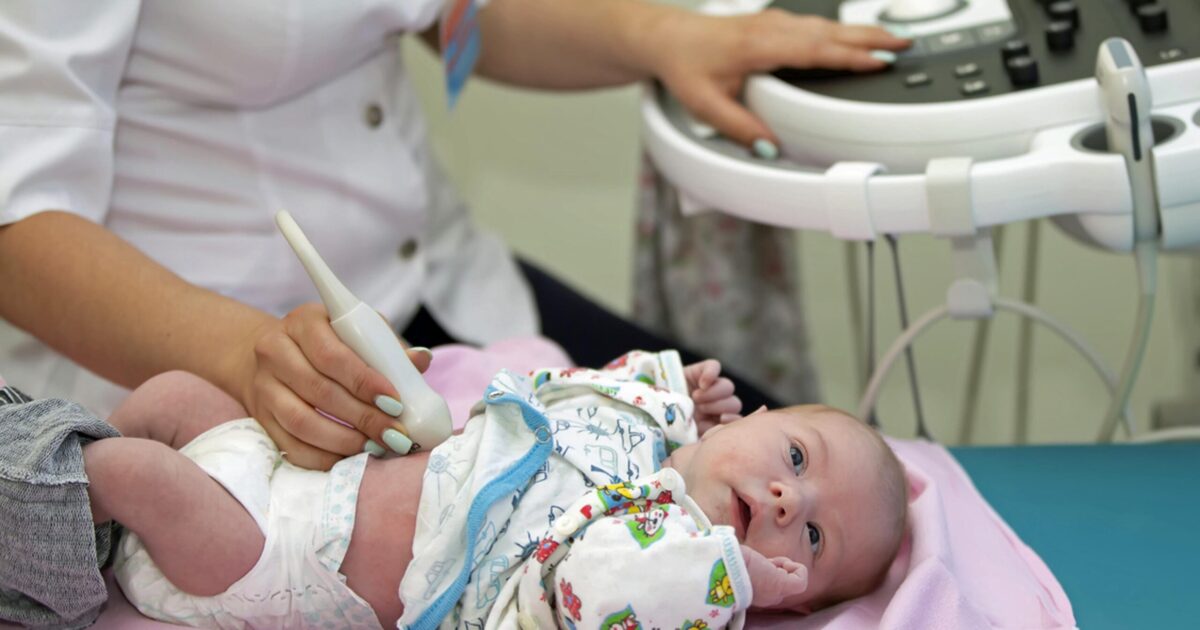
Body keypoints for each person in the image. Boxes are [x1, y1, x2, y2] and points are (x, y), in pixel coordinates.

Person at [0, 2, 910, 471]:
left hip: (446, 297)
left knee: (793, 460)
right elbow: (17, 224)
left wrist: (665, 35)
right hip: (230, 376)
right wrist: (246, 354)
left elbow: (454, 18)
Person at [67, 350, 907, 628]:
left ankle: (32, 518)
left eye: (814, 541)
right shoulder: (650, 433)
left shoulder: (669, 562)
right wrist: (662, 386)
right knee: (174, 395)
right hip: (298, 470)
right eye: (796, 458)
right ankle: (44, 480)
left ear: (789, 598)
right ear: (745, 422)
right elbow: (566, 393)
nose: (792, 502)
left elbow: (597, 591)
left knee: (128, 472)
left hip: (279, 556)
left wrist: (724, 576)